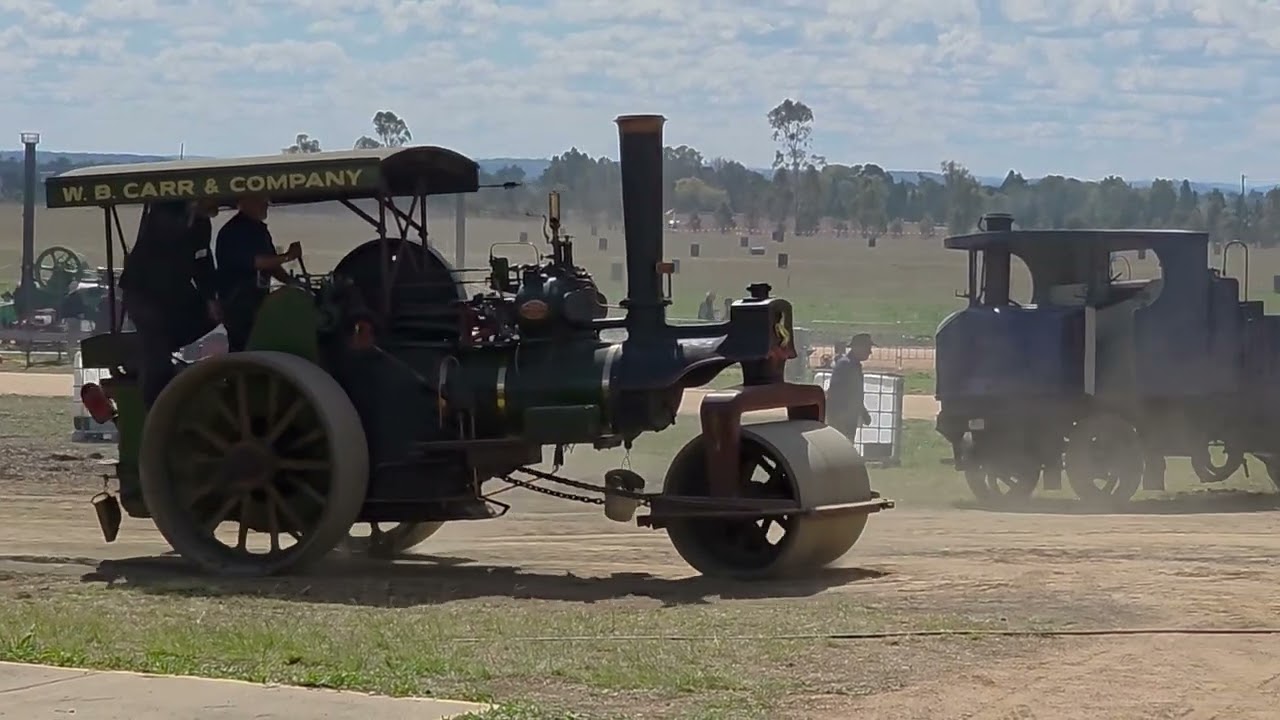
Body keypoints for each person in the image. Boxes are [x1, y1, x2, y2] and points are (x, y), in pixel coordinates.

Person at [118, 198, 222, 408]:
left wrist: (211, 299)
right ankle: (154, 408)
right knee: (156, 351)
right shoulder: (164, 213)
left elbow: (202, 260)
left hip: (173, 293)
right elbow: (165, 242)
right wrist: (189, 215)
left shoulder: (201, 224)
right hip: (144, 292)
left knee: (209, 317)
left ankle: (159, 352)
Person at [214, 195, 302, 352]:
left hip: (258, 300)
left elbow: (271, 265)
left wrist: (293, 283)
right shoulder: (234, 232)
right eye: (261, 202)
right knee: (245, 347)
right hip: (239, 303)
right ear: (245, 203)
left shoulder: (259, 230)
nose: (266, 205)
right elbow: (257, 262)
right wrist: (288, 256)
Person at [826, 333, 874, 439]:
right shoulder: (846, 365)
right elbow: (836, 393)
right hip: (842, 418)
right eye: (868, 348)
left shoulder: (852, 365)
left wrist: (862, 411)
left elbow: (854, 393)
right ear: (857, 347)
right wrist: (839, 418)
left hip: (849, 417)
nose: (870, 352)